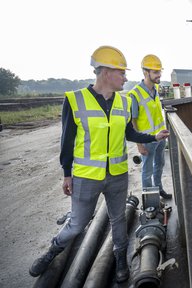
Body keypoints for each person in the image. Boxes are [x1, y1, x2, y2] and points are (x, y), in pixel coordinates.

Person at [28, 46, 169, 283]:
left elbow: (129, 133)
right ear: (105, 73)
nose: (125, 77)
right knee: (77, 224)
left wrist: (152, 137)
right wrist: (66, 174)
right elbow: (67, 142)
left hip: (117, 174)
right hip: (86, 176)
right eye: (121, 73)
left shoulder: (123, 102)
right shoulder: (75, 100)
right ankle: (51, 252)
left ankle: (121, 259)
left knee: (118, 220)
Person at [127, 54, 172, 200]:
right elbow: (133, 122)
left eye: (160, 71)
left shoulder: (156, 90)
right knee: (147, 171)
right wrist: (139, 145)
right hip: (146, 140)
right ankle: (149, 198)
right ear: (146, 73)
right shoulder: (135, 94)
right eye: (156, 72)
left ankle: (159, 190)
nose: (159, 75)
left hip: (160, 137)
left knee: (159, 165)